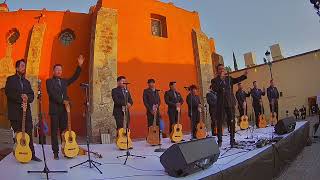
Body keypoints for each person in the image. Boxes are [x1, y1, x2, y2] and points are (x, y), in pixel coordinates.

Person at [46, 55, 84, 160]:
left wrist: (79, 66)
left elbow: (74, 78)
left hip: (64, 110)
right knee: (54, 132)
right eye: (57, 70)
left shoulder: (64, 81)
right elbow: (52, 94)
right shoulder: (49, 81)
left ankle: (66, 149)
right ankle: (55, 152)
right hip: (54, 110)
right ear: (53, 71)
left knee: (64, 132)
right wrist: (63, 101)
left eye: (60, 70)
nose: (59, 71)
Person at [5, 59, 41, 162]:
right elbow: (9, 93)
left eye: (24, 66)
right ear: (16, 68)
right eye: (21, 66)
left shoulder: (27, 82)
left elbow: (32, 95)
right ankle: (19, 153)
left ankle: (32, 155)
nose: (23, 68)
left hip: (26, 112)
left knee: (28, 133)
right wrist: (21, 97)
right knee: (18, 134)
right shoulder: (10, 79)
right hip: (15, 112)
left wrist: (27, 97)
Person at [211, 63, 248, 147]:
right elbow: (215, 89)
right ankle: (220, 141)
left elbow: (237, 80)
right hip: (221, 104)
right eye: (220, 69)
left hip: (230, 102)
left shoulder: (229, 79)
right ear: (217, 71)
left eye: (223, 69)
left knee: (232, 121)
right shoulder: (214, 80)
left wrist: (244, 75)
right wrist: (220, 79)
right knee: (220, 122)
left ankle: (232, 140)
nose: (222, 70)